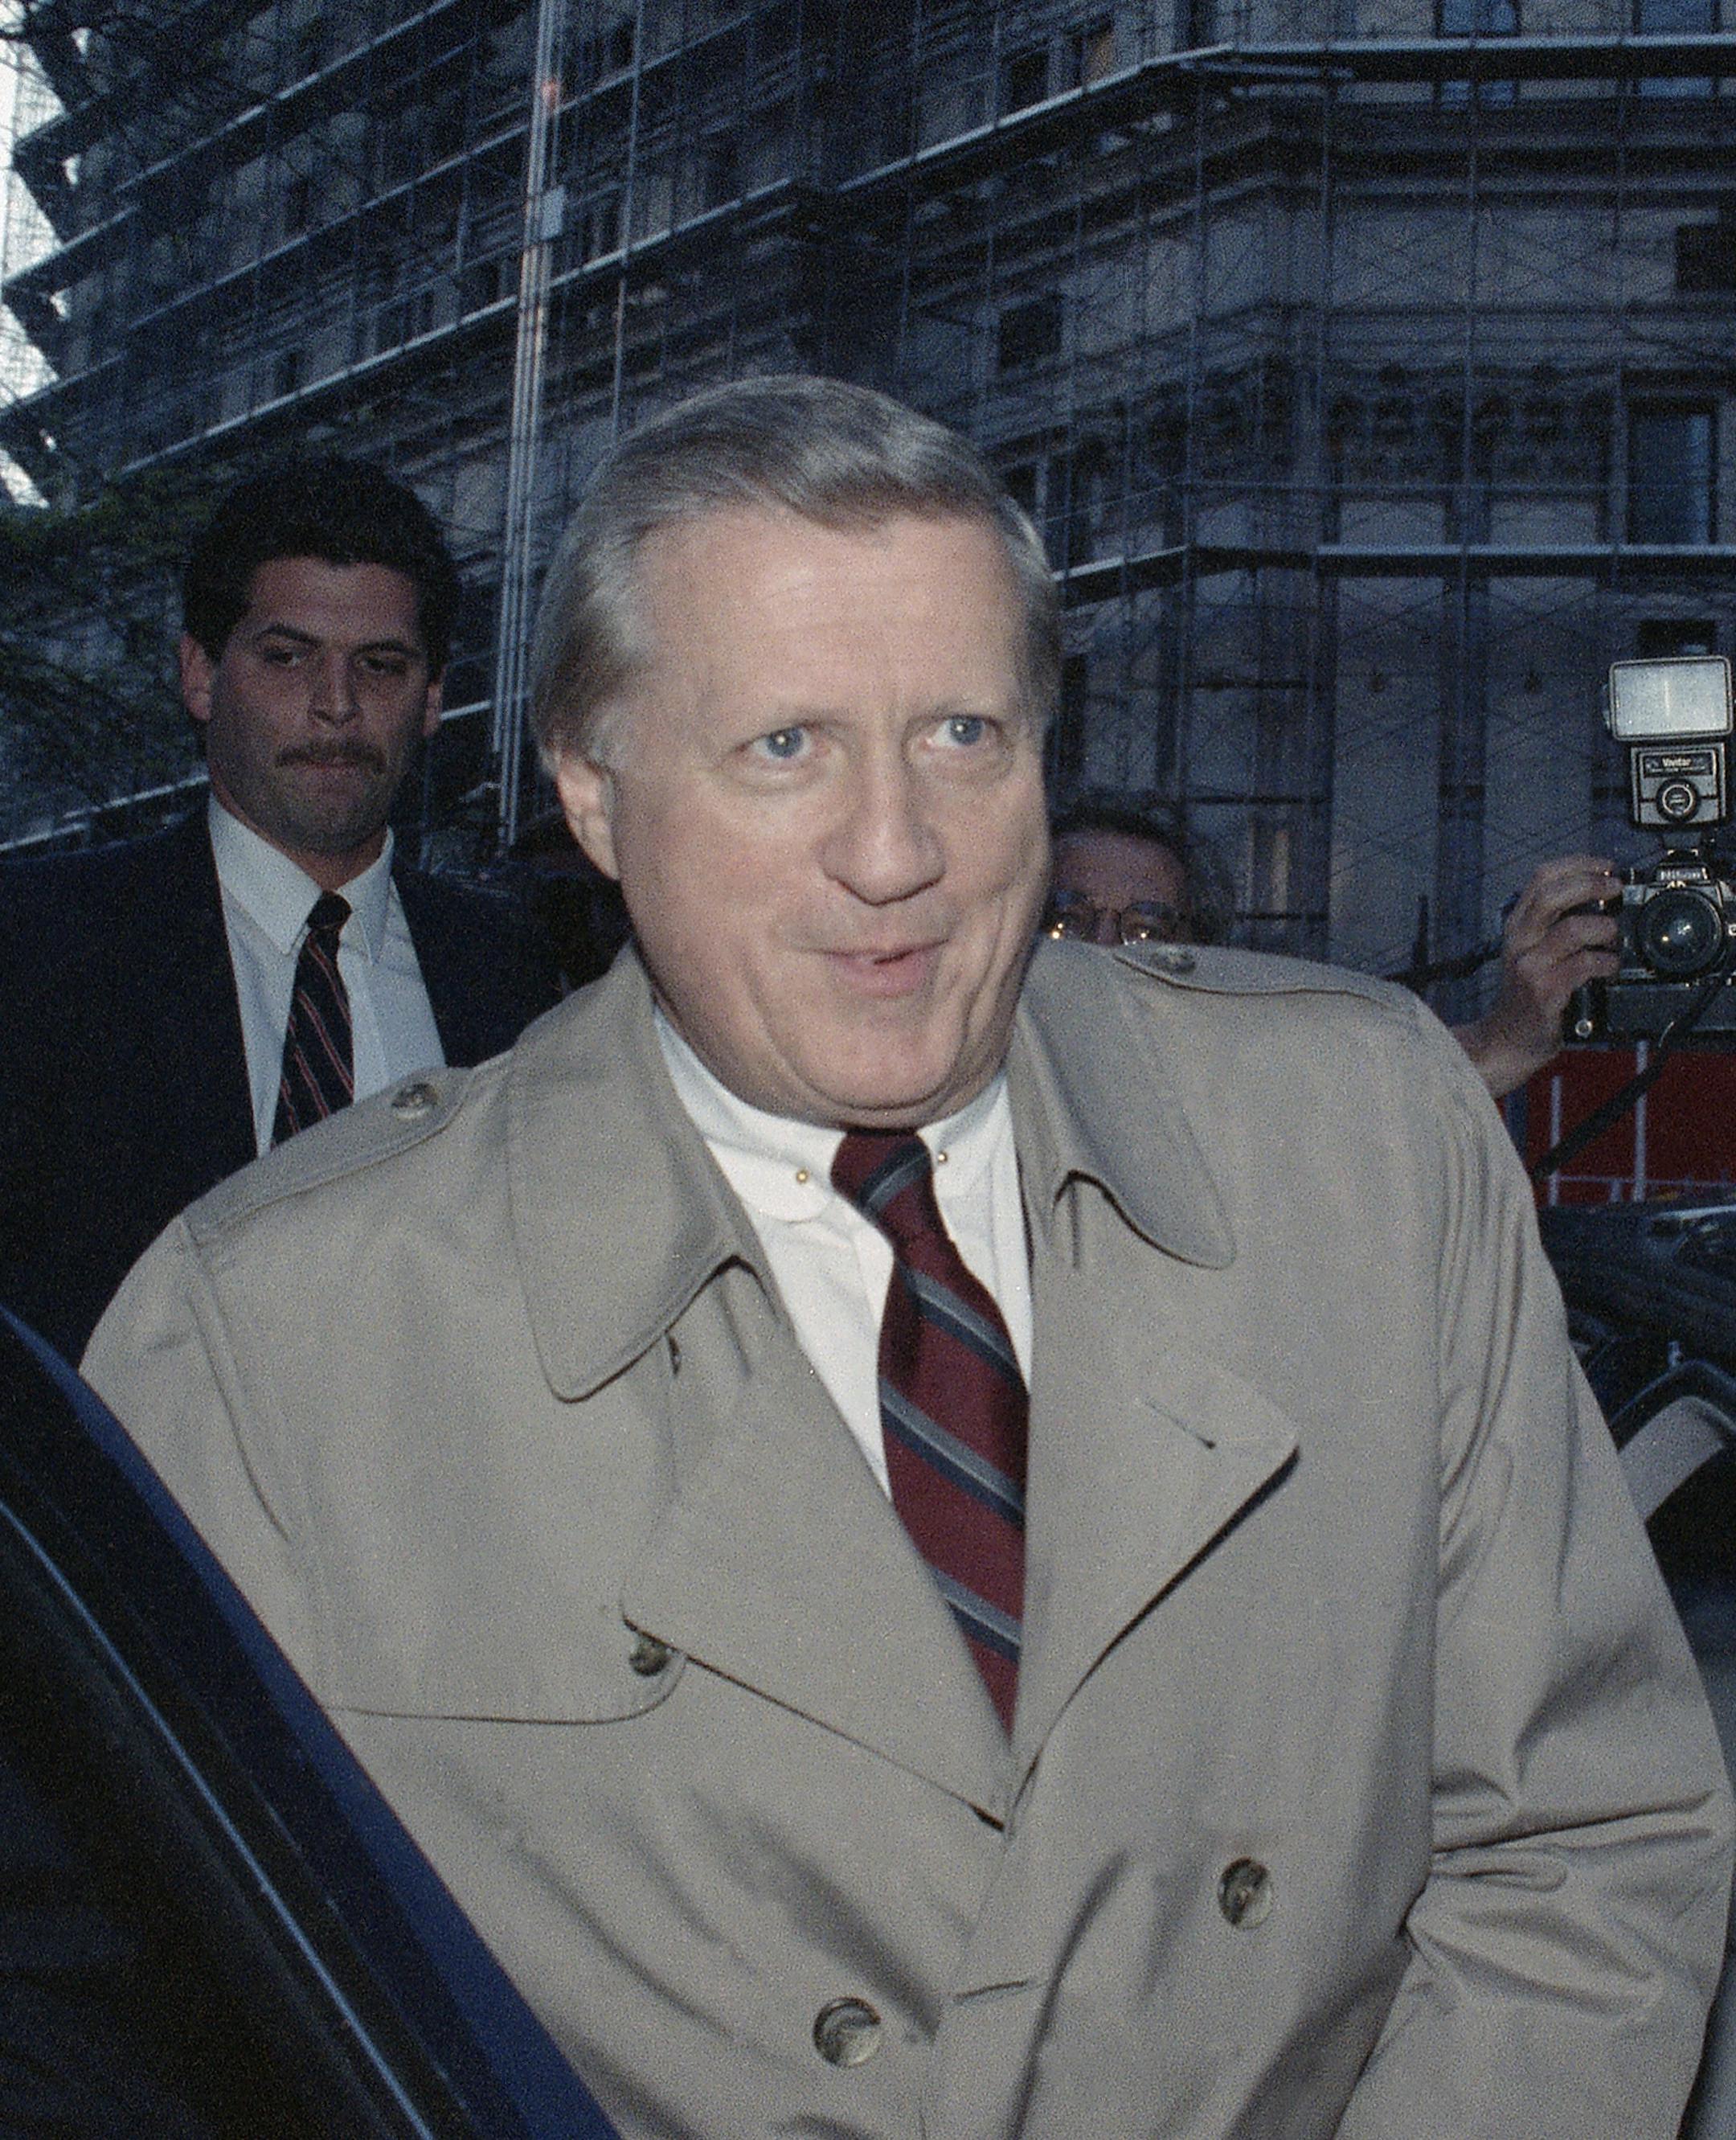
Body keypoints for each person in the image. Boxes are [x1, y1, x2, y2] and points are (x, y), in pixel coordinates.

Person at [85, 378, 1731, 2140]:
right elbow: (129, 2029)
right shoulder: (271, 1335)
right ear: (594, 788)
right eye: (784, 746)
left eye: (963, 735)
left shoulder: (1363, 1151)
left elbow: (1580, 1839)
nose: (899, 855)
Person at [0, 455, 561, 1358]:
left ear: (430, 701)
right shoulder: (36, 955)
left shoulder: (516, 984)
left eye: (379, 666)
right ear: (200, 675)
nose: (336, 707)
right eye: (288, 656)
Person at [1045, 794, 1619, 1101]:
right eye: (1068, 920)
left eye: (1146, 930)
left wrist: (1515, 1026)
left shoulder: (1236, 1092)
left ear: (1203, 955)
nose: (1103, 948)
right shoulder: (964, 1075)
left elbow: (1409, 1079)